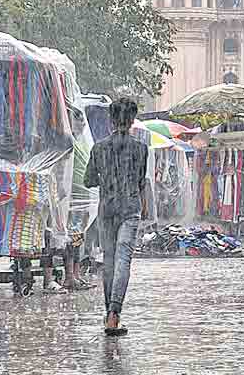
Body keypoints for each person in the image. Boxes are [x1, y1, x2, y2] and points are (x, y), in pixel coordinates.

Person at [82, 97, 149, 337]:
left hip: (107, 208)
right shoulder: (141, 148)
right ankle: (114, 312)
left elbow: (88, 180)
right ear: (132, 120)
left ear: (111, 120)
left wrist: (106, 176)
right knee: (123, 260)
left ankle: (109, 313)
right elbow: (140, 181)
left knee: (109, 261)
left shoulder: (99, 148)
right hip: (130, 207)